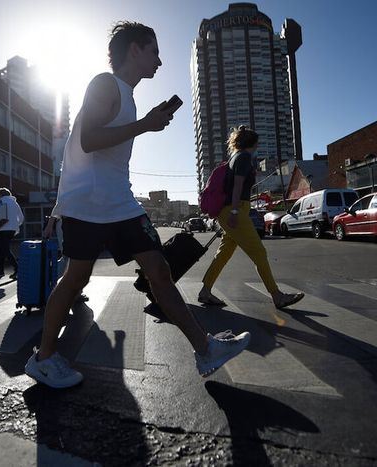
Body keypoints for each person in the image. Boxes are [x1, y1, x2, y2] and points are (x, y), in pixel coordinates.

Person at [24, 22, 250, 388]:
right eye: (154, 51)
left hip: (119, 201)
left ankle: (206, 350)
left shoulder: (127, 96)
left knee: (159, 270)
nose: (160, 61)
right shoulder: (104, 83)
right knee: (76, 278)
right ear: (134, 50)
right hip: (87, 203)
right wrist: (145, 125)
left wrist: (146, 122)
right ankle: (44, 358)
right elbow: (88, 139)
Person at [198, 126, 305, 309]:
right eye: (257, 143)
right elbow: (238, 186)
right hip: (236, 210)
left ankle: (205, 291)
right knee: (259, 252)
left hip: (232, 210)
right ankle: (277, 296)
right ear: (253, 143)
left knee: (223, 254)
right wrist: (233, 212)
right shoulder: (244, 157)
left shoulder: (234, 157)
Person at [0, 187, 24, 279]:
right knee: (2, 249)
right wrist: (15, 225)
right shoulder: (15, 203)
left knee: (5, 249)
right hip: (12, 230)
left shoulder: (0, 202)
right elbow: (21, 217)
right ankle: (0, 271)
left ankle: (18, 269)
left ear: (0, 195)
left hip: (2, 229)